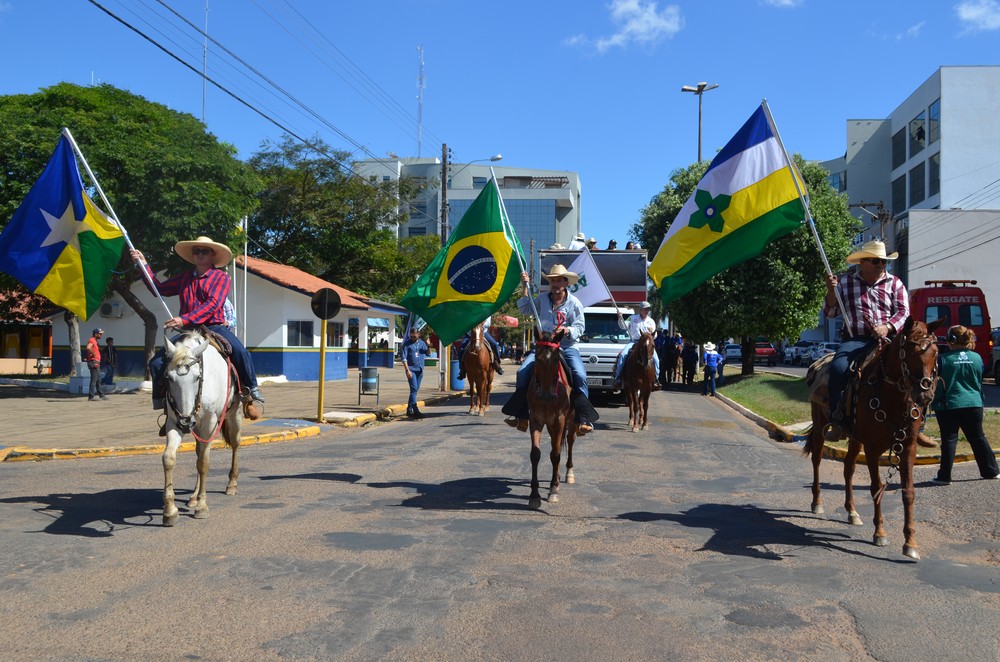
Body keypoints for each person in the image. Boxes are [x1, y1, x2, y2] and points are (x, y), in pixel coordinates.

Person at [131, 236, 265, 424]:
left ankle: (250, 392)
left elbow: (213, 304)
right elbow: (158, 288)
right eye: (196, 251)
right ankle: (162, 401)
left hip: (214, 327)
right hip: (189, 330)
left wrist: (183, 318)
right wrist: (143, 265)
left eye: (204, 251)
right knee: (156, 363)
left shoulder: (221, 278)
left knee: (241, 352)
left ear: (212, 255)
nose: (200, 254)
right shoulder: (185, 278)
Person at [822, 240, 909, 441]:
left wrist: (886, 327)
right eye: (876, 260)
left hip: (888, 339)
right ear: (863, 262)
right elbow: (830, 313)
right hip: (856, 340)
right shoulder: (845, 283)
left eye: (883, 261)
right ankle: (838, 420)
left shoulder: (895, 283)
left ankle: (914, 421)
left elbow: (904, 312)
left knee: (913, 369)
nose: (881, 265)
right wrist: (830, 292)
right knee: (838, 369)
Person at [502, 265, 599, 434]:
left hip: (567, 347)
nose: (555, 283)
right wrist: (525, 287)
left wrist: (567, 330)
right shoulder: (541, 299)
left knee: (580, 375)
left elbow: (580, 327)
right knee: (522, 372)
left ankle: (583, 418)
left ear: (566, 283)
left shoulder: (574, 303)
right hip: (543, 346)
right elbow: (524, 308)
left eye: (558, 280)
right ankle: (522, 415)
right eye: (552, 280)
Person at [930, 325, 1000, 483]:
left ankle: (945, 476)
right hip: (974, 403)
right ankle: (991, 471)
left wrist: (936, 401)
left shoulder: (943, 359)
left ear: (950, 340)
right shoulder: (977, 358)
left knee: (949, 439)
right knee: (978, 437)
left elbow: (940, 384)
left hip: (949, 404)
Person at [612, 301, 660, 390]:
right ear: (640, 309)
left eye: (648, 309)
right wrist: (620, 318)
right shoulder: (632, 318)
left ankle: (656, 379)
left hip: (647, 344)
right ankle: (618, 378)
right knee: (623, 355)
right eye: (645, 309)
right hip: (634, 342)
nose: (647, 311)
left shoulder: (651, 321)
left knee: (656, 359)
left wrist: (650, 336)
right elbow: (623, 326)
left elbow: (655, 334)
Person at [456, 315, 504, 380]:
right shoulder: (470, 308)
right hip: (470, 333)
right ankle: (462, 369)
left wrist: (481, 324)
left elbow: (488, 323)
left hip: (482, 332)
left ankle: (497, 364)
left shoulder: (486, 309)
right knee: (461, 348)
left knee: (495, 345)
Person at [401, 327, 430, 419]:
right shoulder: (406, 344)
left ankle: (409, 410)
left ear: (418, 335)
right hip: (411, 370)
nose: (413, 338)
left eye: (414, 337)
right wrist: (407, 370)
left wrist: (429, 346)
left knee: (415, 391)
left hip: (420, 370)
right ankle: (416, 410)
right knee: (413, 390)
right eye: (411, 337)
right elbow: (404, 359)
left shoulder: (422, 343)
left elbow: (428, 353)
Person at [85, 328, 108, 401]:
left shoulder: (95, 341)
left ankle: (101, 395)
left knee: (98, 379)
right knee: (94, 380)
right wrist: (94, 354)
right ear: (96, 334)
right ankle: (91, 396)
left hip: (95, 361)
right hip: (94, 362)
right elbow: (88, 348)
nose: (101, 335)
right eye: (100, 334)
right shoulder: (92, 340)